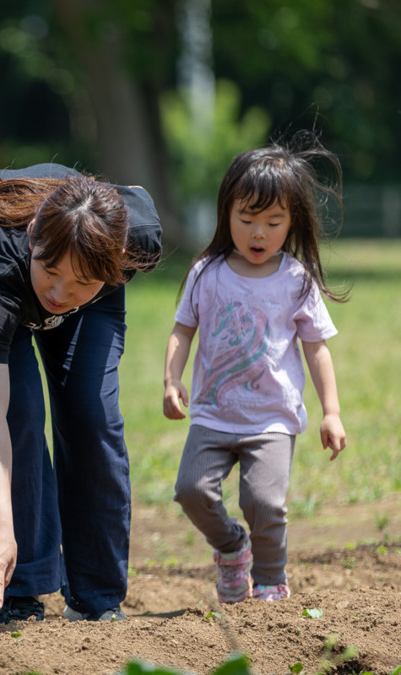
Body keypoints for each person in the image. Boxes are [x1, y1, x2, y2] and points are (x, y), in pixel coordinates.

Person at [0, 164, 162, 624]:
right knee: (19, 412)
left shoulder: (136, 239)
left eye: (79, 284)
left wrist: (79, 279)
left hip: (88, 262)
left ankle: (96, 598)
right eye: (50, 271)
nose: (59, 293)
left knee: (92, 415)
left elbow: (130, 196)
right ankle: (17, 590)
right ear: (33, 235)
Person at [162, 135, 348, 604]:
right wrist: (171, 379)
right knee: (190, 490)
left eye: (273, 221)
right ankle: (231, 548)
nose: (258, 233)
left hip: (270, 418)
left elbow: (317, 349)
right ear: (227, 214)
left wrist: (331, 412)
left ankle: (270, 581)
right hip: (212, 415)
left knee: (264, 504)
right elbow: (182, 330)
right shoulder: (208, 272)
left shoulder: (296, 281)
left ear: (293, 223)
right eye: (247, 219)